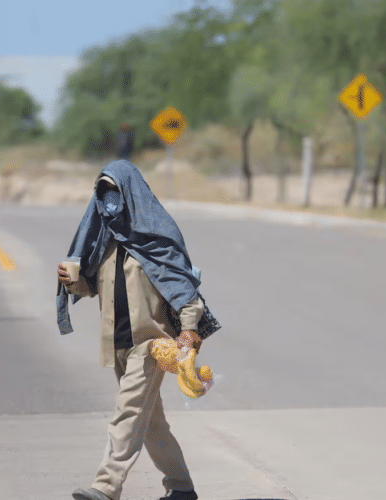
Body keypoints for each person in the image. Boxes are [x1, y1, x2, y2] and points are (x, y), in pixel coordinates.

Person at [56, 160, 220, 500]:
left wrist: (189, 331)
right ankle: (181, 487)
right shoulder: (102, 243)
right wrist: (73, 282)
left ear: (130, 193)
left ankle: (106, 487)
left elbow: (185, 292)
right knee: (150, 422)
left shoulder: (156, 241)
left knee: (128, 412)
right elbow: (92, 287)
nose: (108, 200)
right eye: (102, 192)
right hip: (117, 346)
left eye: (114, 191)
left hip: (151, 345)